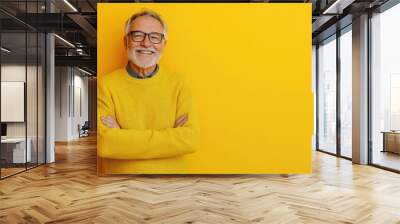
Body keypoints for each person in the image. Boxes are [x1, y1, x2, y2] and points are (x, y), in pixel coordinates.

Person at [98, 10, 200, 173]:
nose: (146, 43)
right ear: (126, 41)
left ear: (163, 44)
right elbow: (105, 144)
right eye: (138, 35)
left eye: (154, 37)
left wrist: (122, 136)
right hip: (119, 185)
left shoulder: (179, 84)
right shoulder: (105, 85)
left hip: (170, 184)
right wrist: (171, 137)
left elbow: (190, 140)